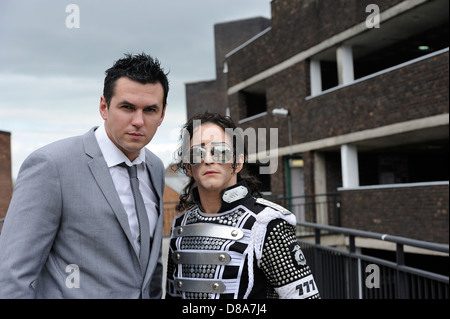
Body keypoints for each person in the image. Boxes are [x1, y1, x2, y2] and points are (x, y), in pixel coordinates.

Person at [0, 53, 169, 299]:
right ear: (104, 106)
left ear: (162, 114)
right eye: (127, 107)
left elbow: (151, 265)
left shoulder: (155, 167)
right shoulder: (52, 166)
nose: (138, 121)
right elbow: (12, 276)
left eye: (150, 110)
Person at [165, 112, 320, 299]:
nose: (208, 160)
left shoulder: (268, 224)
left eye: (221, 151)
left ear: (237, 163)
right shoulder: (181, 226)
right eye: (197, 153)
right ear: (189, 166)